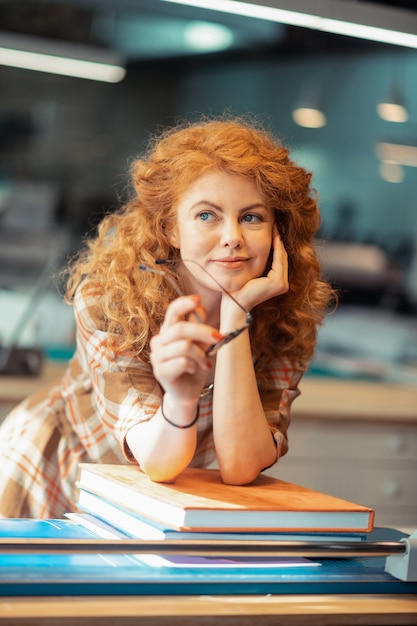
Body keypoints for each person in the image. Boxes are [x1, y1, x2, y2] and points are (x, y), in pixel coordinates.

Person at [0, 116, 334, 518]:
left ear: (278, 233)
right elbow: (157, 460)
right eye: (206, 215)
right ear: (170, 229)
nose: (233, 236)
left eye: (252, 217)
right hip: (57, 475)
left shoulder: (288, 324)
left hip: (157, 501)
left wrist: (235, 315)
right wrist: (180, 395)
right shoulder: (109, 302)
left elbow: (241, 465)